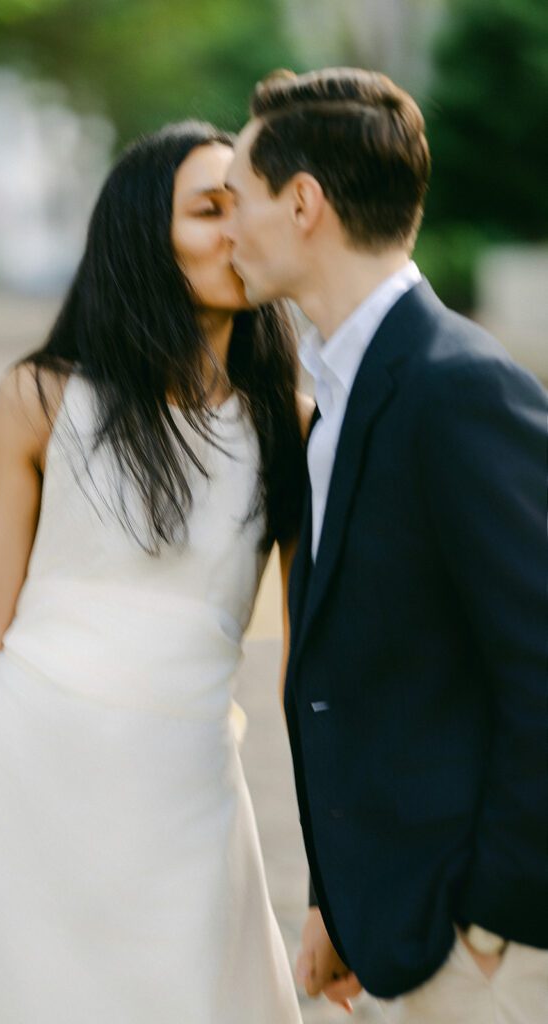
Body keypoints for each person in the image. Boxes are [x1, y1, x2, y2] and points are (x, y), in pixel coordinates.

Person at [0, 120, 309, 1023]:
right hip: (13, 782)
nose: (236, 232)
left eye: (246, 209)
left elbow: (308, 665)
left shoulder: (288, 425)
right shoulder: (42, 397)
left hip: (186, 802)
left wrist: (337, 880)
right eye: (207, 210)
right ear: (145, 233)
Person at [224, 67, 548, 1022]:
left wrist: (487, 921)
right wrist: (347, 899)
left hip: (487, 956)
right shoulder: (336, 395)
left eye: (237, 200)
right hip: (398, 931)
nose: (230, 228)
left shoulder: (458, 388)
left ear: (302, 203)